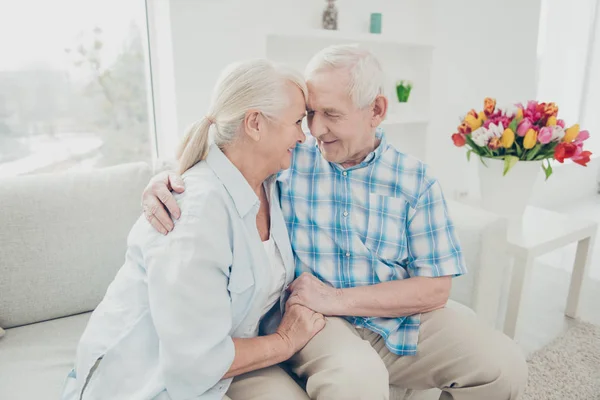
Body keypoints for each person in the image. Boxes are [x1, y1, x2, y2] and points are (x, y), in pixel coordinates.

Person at [143, 45, 528, 400]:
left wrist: (340, 298)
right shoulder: (290, 158)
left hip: (393, 318)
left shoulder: (416, 181)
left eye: (332, 115)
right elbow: (228, 154)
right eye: (310, 113)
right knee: (357, 380)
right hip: (314, 319)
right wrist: (166, 182)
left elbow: (435, 289)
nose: (315, 129)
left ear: (376, 111)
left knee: (505, 366)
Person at [62, 59, 326, 400]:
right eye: (297, 122)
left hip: (223, 365)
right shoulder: (195, 213)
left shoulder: (271, 182)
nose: (304, 137)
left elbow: (354, 144)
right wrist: (286, 341)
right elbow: (197, 361)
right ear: (255, 124)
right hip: (145, 381)